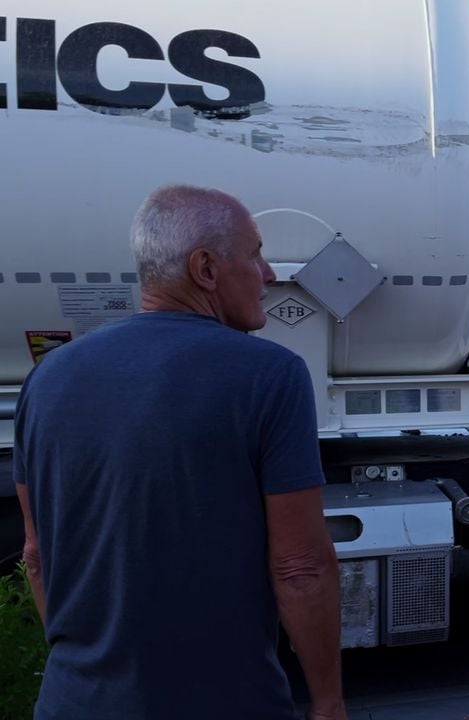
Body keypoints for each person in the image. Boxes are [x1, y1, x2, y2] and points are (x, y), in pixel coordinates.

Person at [15, 185, 347, 720]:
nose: (268, 274)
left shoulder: (47, 377)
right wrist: (328, 704)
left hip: (73, 701)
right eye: (256, 253)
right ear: (206, 269)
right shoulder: (268, 374)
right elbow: (301, 567)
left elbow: (36, 556)